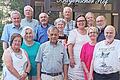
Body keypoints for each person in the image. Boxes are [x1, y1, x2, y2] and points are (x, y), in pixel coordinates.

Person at [67, 15, 90, 80]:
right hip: (76, 61)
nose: (81, 22)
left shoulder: (89, 32)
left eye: (83, 21)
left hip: (87, 61)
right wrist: (71, 58)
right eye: (79, 21)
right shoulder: (73, 32)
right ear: (76, 23)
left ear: (85, 22)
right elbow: (70, 45)